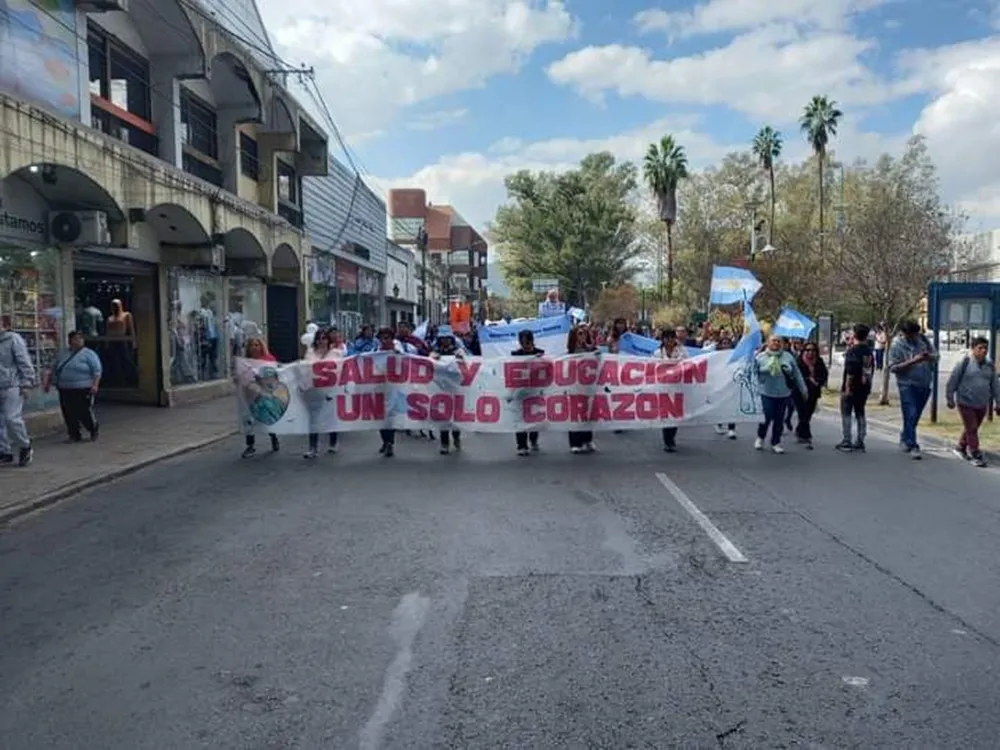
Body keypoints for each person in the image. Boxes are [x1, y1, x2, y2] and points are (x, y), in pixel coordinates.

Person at [946, 336, 998, 467]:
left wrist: (998, 402)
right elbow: (953, 381)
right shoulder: (964, 362)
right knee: (972, 428)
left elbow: (995, 385)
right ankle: (975, 453)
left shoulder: (990, 365)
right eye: (980, 348)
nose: (983, 351)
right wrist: (950, 398)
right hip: (965, 402)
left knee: (972, 428)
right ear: (973, 348)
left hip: (981, 403)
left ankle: (961, 447)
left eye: (985, 348)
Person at [888, 320, 938, 459]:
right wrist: (913, 361)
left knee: (915, 416)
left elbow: (936, 356)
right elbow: (893, 367)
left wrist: (928, 357)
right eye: (911, 335)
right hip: (906, 384)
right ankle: (913, 444)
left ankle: (905, 437)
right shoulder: (897, 345)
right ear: (905, 334)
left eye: (916, 334)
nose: (914, 337)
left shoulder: (924, 341)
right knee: (910, 412)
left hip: (924, 383)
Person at [44, 330, 102, 443]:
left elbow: (97, 371)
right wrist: (47, 382)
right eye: (75, 339)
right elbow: (53, 368)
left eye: (80, 339)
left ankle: (92, 428)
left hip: (83, 387)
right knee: (68, 412)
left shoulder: (89, 354)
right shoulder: (63, 354)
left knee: (83, 410)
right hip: (65, 387)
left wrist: (95, 385)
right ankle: (74, 434)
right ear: (69, 341)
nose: (78, 341)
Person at [753, 334, 807, 454]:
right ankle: (761, 437)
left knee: (779, 418)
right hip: (766, 392)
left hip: (784, 393)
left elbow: (797, 374)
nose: (776, 343)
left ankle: (776, 442)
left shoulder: (788, 356)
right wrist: (767, 369)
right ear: (768, 343)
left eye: (779, 341)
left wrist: (803, 389)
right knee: (766, 416)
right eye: (774, 341)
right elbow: (754, 372)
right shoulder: (760, 357)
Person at [302, 329, 341, 459]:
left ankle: (333, 442)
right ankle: (313, 448)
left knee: (331, 417)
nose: (321, 341)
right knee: (313, 420)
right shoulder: (310, 353)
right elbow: (305, 369)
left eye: (324, 338)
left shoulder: (336, 353)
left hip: (331, 390)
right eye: (319, 338)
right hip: (314, 390)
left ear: (328, 340)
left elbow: (342, 369)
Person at [239, 337, 280, 459]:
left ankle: (274, 437)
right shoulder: (245, 362)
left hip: (264, 394)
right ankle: (250, 445)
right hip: (249, 395)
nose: (254, 347)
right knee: (248, 420)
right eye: (252, 345)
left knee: (267, 417)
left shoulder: (268, 360)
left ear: (261, 347)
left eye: (257, 345)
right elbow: (241, 378)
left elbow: (274, 376)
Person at [0, 325, 35, 466]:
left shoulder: (13, 339)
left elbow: (24, 361)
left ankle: (25, 445)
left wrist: (26, 383)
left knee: (11, 418)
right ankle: (4, 451)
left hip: (12, 385)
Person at [836, 324, 874, 452]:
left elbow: (850, 371)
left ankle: (847, 439)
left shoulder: (852, 351)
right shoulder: (869, 351)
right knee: (860, 412)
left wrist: (847, 387)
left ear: (854, 335)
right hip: (864, 385)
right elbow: (868, 369)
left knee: (846, 412)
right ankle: (860, 439)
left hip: (852, 386)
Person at [431, 326, 463, 454]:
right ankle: (444, 444)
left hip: (455, 389)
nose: (445, 341)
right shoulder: (435, 352)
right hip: (440, 389)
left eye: (447, 338)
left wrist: (461, 358)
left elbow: (468, 363)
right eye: (443, 338)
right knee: (443, 417)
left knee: (455, 417)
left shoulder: (458, 351)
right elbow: (428, 363)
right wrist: (433, 358)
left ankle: (456, 437)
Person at [512, 329, 543, 456]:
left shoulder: (540, 353)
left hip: (535, 391)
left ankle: (533, 439)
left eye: (527, 342)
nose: (525, 345)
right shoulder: (515, 355)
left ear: (532, 341)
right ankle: (522, 445)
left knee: (535, 417)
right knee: (520, 419)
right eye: (522, 342)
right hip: (520, 391)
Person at [566, 324, 597, 453]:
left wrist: (594, 353)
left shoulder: (590, 349)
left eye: (584, 333)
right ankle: (575, 442)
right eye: (579, 333)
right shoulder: (569, 352)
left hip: (587, 387)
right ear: (574, 336)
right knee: (575, 414)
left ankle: (587, 439)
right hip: (574, 386)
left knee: (587, 414)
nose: (582, 336)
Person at [655, 329, 686, 452]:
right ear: (663, 340)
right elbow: (652, 367)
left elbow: (689, 364)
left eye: (672, 338)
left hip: (678, 387)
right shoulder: (657, 353)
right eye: (667, 338)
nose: (670, 340)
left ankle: (672, 436)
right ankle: (667, 441)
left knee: (675, 414)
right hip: (663, 388)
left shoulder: (682, 351)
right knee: (666, 414)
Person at [794, 341, 828, 449]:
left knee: (808, 413)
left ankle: (800, 430)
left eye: (813, 350)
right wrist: (808, 378)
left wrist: (817, 381)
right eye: (808, 350)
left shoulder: (819, 361)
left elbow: (824, 374)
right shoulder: (799, 361)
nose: (810, 352)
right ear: (804, 351)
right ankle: (806, 435)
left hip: (813, 392)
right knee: (802, 413)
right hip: (800, 392)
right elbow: (796, 376)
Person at [375, 327, 399, 457]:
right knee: (380, 416)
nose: (385, 340)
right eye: (382, 338)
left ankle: (390, 442)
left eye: (387, 338)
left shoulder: (399, 349)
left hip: (394, 387)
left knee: (390, 416)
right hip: (379, 387)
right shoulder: (375, 351)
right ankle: (385, 440)